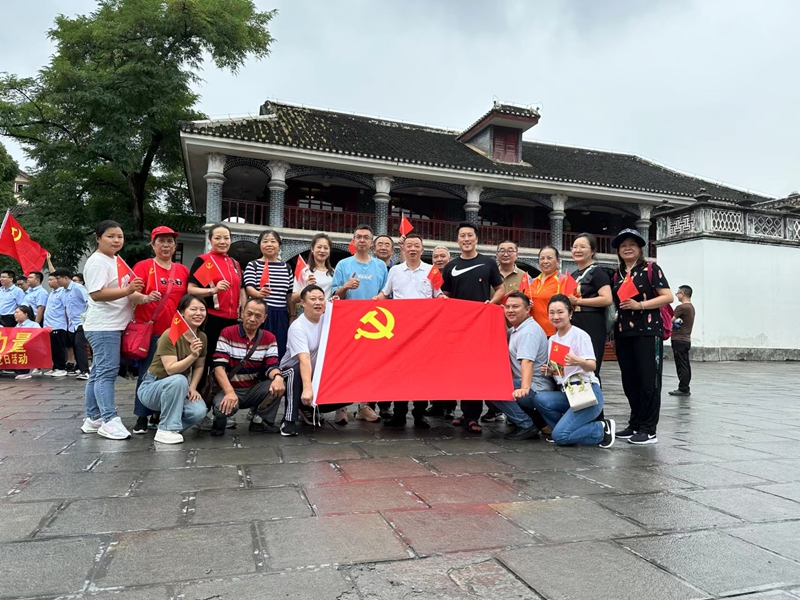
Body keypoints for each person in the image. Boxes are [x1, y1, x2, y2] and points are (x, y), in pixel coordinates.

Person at [81, 221, 148, 440]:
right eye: (110, 236)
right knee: (107, 372)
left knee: (98, 372)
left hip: (113, 324)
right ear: (98, 238)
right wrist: (128, 290)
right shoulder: (98, 262)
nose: (116, 240)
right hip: (104, 326)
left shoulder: (116, 260)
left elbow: (127, 291)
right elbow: (96, 293)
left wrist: (144, 297)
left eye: (119, 236)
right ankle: (109, 420)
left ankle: (93, 417)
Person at [611, 228, 674, 445]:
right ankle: (635, 423)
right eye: (623, 245)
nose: (627, 248)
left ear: (640, 249)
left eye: (632, 245)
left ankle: (649, 429)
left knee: (649, 381)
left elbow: (667, 296)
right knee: (630, 381)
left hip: (648, 331)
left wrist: (640, 305)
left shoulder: (651, 269)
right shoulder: (617, 274)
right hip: (623, 333)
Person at [441, 221, 504, 433]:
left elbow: (500, 288)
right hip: (457, 326)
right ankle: (465, 413)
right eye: (462, 236)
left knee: (475, 369)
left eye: (470, 235)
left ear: (476, 238)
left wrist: (491, 303)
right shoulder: (450, 266)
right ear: (457, 240)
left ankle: (473, 416)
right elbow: (446, 294)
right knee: (459, 369)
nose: (466, 239)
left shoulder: (488, 263)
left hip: (480, 325)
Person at [375, 233, 441, 429]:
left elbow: (439, 296)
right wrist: (368, 304)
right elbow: (385, 294)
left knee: (422, 373)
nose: (412, 249)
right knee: (399, 372)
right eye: (409, 245)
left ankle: (419, 413)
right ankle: (399, 413)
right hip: (399, 331)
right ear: (403, 249)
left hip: (425, 332)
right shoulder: (395, 271)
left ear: (422, 250)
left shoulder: (432, 270)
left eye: (416, 246)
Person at [533, 295, 616, 448]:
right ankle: (565, 430)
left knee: (560, 436)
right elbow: (561, 369)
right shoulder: (552, 340)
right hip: (568, 393)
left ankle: (601, 429)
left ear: (570, 313)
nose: (555, 316)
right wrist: (551, 371)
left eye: (560, 312)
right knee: (539, 399)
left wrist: (579, 361)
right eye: (552, 312)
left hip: (586, 392)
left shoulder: (580, 335)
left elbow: (592, 366)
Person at [131, 226, 190, 434]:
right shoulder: (143, 266)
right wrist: (145, 298)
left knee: (170, 373)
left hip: (175, 332)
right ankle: (141, 416)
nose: (166, 245)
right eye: (161, 241)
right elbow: (131, 293)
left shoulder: (182, 270)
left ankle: (159, 414)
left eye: (170, 241)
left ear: (175, 246)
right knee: (148, 373)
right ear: (153, 245)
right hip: (152, 330)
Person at [331, 224, 389, 422]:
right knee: (345, 364)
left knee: (370, 365)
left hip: (373, 323)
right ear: (353, 240)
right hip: (347, 322)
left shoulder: (380, 266)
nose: (362, 240)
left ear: (371, 242)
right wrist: (346, 286)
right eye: (359, 237)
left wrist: (379, 299)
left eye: (366, 237)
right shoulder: (343, 265)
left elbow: (385, 293)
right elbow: (334, 295)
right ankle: (341, 406)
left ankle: (365, 405)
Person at [137, 294, 209, 444]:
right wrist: (192, 355)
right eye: (193, 309)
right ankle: (166, 429)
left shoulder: (201, 337)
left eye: (202, 310)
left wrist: (193, 387)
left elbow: (199, 365)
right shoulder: (169, 335)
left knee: (199, 411)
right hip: (153, 386)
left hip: (179, 387)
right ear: (182, 312)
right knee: (179, 379)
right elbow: (171, 370)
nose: (198, 313)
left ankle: (171, 428)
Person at [210, 298, 287, 436]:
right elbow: (219, 367)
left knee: (278, 385)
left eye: (258, 316)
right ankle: (219, 420)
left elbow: (271, 365)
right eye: (249, 313)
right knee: (222, 408)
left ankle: (261, 421)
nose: (252, 319)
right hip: (229, 387)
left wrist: (278, 377)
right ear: (241, 312)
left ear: (264, 318)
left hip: (252, 389)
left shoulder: (269, 338)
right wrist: (229, 392)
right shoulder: (227, 332)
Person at [280, 285, 352, 428]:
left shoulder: (326, 319)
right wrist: (308, 388)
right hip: (291, 374)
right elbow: (304, 360)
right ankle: (290, 419)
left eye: (321, 299)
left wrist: (336, 306)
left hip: (316, 373)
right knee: (296, 371)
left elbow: (347, 323)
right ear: (303, 303)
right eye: (313, 299)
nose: (318, 302)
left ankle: (308, 407)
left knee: (351, 389)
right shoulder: (298, 327)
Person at [487, 292, 554, 440]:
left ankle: (526, 424)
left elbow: (527, 362)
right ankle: (537, 420)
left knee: (491, 386)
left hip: (536, 387)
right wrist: (491, 311)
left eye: (516, 307)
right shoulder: (517, 329)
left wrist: (524, 388)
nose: (510, 310)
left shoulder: (528, 333)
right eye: (507, 307)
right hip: (528, 383)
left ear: (527, 309)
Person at [188, 223, 246, 383]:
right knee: (206, 358)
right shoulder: (205, 261)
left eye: (226, 238)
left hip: (233, 320)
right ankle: (198, 393)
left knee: (227, 359)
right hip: (213, 318)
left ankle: (221, 393)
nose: (222, 242)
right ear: (210, 239)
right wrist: (213, 291)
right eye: (218, 238)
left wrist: (243, 307)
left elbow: (241, 288)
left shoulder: (234, 263)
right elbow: (191, 289)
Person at [568, 233, 613, 379]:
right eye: (575, 247)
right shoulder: (574, 274)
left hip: (592, 323)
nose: (577, 250)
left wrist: (578, 302)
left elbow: (607, 299)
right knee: (575, 367)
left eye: (583, 247)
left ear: (593, 251)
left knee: (590, 367)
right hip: (575, 322)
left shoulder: (597, 272)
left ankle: (594, 393)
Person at [243, 230, 292, 358]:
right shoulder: (253, 265)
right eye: (265, 241)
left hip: (281, 314)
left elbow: (289, 294)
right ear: (260, 245)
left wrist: (292, 315)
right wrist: (258, 294)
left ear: (279, 245)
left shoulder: (286, 267)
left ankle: (276, 370)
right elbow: (249, 288)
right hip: (260, 314)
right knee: (257, 346)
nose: (269, 244)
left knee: (279, 347)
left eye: (273, 241)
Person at [425, 245, 456, 420]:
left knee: (449, 367)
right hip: (431, 327)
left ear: (449, 259)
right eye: (435, 256)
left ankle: (450, 406)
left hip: (450, 326)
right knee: (432, 367)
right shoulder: (429, 275)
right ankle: (435, 403)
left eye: (442, 256)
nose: (439, 259)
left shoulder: (454, 274)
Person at [50, 268, 90, 379]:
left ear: (66, 278)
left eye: (58, 278)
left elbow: (89, 302)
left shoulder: (78, 288)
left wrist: (87, 317)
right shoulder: (62, 292)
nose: (56, 281)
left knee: (79, 344)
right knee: (74, 346)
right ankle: (79, 368)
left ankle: (85, 371)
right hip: (72, 324)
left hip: (82, 322)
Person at [291, 233, 335, 303]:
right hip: (310, 309)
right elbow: (293, 298)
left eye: (326, 248)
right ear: (312, 249)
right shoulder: (304, 271)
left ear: (329, 251)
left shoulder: (333, 272)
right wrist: (306, 288)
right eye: (319, 247)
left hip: (328, 309)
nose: (322, 251)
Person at [528, 246, 561, 337]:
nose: (545, 261)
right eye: (542, 258)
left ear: (557, 261)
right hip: (530, 331)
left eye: (549, 258)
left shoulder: (563, 281)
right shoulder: (530, 282)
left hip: (552, 333)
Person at [669, 285, 695, 397]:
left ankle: (683, 388)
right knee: (685, 364)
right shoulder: (691, 307)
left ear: (682, 294)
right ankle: (685, 387)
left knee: (681, 365)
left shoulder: (681, 307)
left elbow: (670, 320)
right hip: (686, 340)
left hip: (679, 339)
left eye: (677, 293)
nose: (677, 295)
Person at [12, 305, 41, 380]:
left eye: (17, 312)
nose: (15, 314)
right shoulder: (17, 326)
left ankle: (25, 372)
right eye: (15, 313)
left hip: (31, 349)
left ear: (25, 314)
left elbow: (39, 338)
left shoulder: (34, 325)